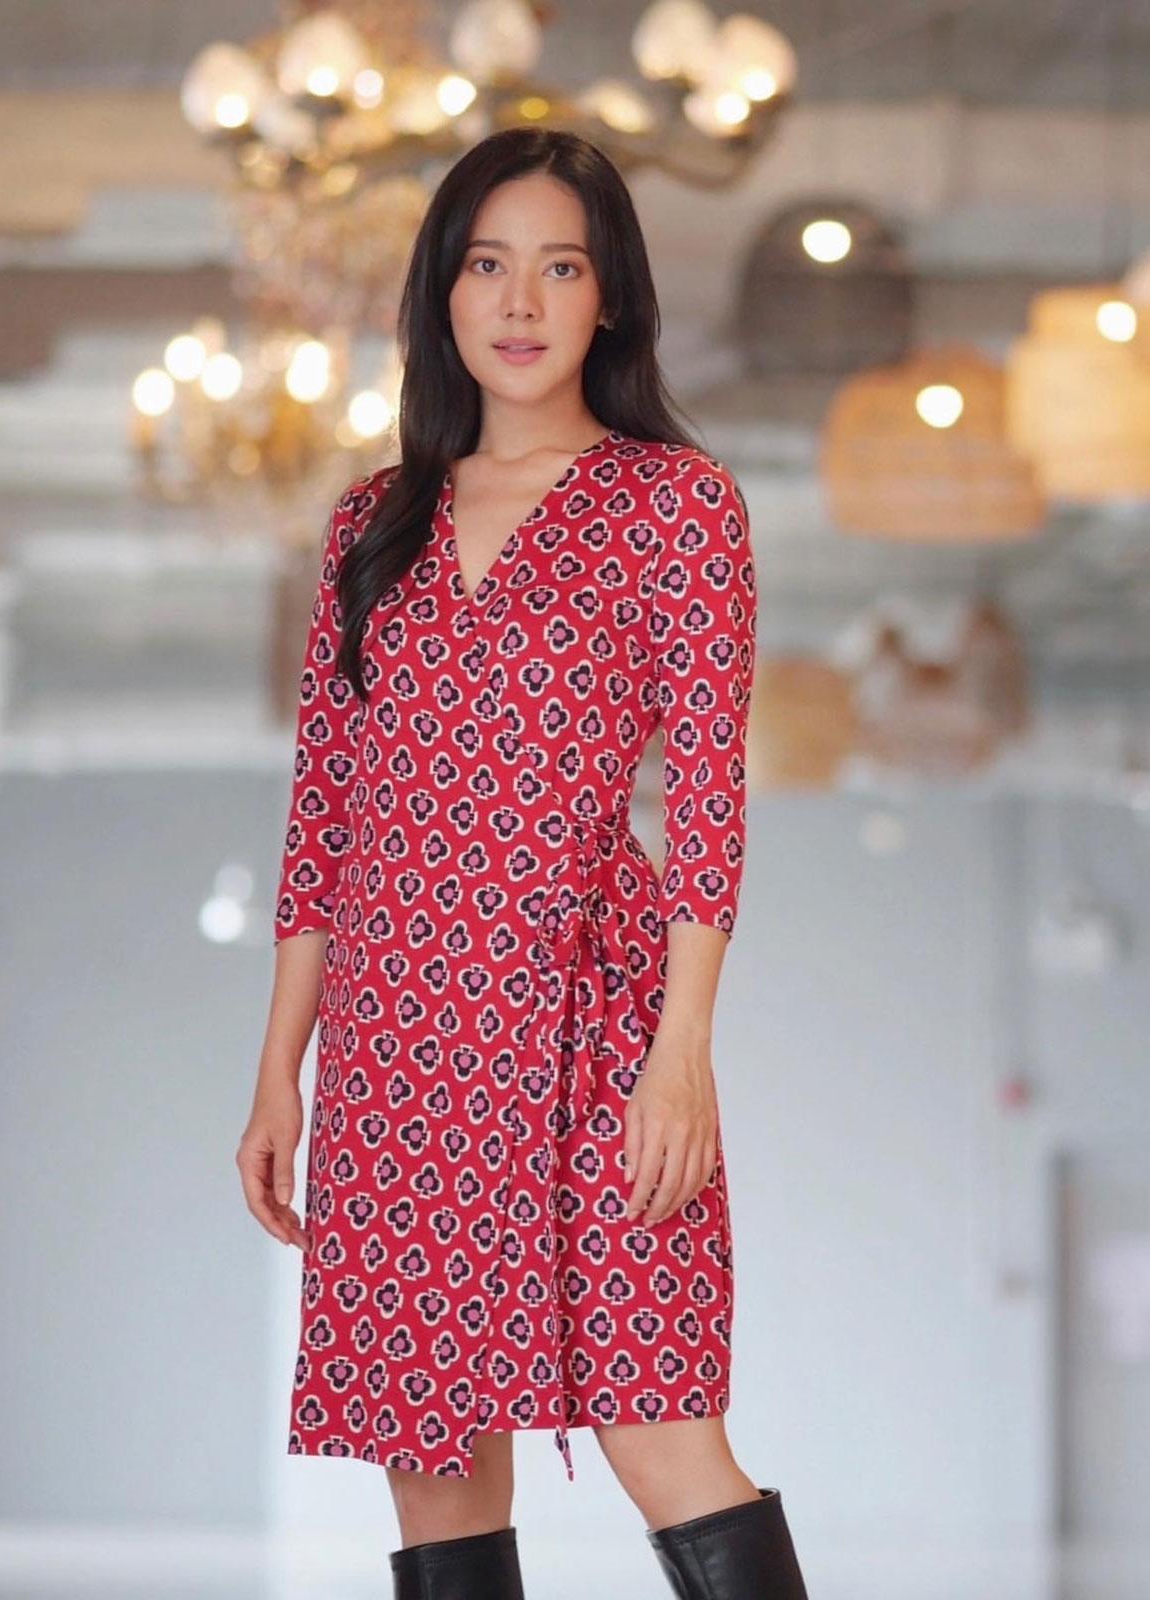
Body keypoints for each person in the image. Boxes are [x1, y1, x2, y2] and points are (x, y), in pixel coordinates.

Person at [238, 126, 810, 1600]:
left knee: (665, 1425)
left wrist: (684, 1050)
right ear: (442, 290)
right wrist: (279, 1072)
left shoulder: (677, 504)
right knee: (432, 1469)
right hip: (401, 1041)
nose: (520, 301)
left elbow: (709, 798)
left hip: (593, 1018)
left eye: (561, 268)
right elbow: (325, 819)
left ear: (610, 297)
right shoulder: (372, 523)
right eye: (488, 265)